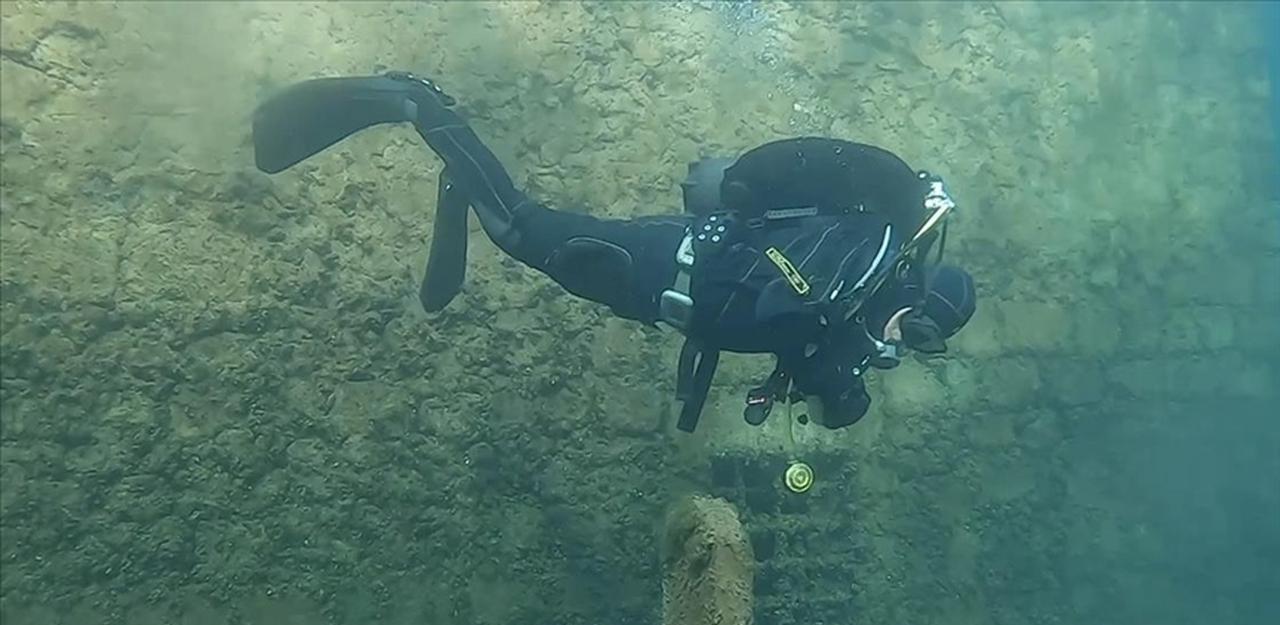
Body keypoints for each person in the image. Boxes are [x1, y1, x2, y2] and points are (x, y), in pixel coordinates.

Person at [251, 71, 976, 436]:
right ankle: (416, 103)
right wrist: (842, 348)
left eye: (923, 346)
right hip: (655, 267)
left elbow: (788, 335)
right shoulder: (864, 256)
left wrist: (831, 362)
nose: (905, 346)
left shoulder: (859, 284)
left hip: (658, 278)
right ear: (913, 297)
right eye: (918, 331)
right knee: (517, 229)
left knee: (518, 231)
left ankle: (459, 179)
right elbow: (784, 301)